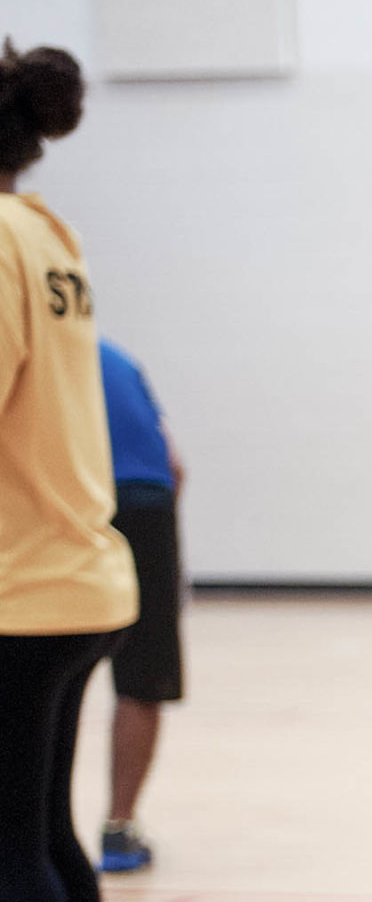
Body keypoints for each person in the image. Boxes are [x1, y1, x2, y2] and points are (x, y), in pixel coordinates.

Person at [0, 40, 139, 902]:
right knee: (43, 830)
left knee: (12, 843)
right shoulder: (48, 233)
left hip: (20, 586)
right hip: (80, 570)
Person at [96, 336, 184, 873]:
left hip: (68, 510)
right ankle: (119, 828)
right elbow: (174, 465)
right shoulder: (118, 358)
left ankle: (30, 827)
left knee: (43, 674)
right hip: (147, 508)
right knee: (144, 674)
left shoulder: (30, 351)